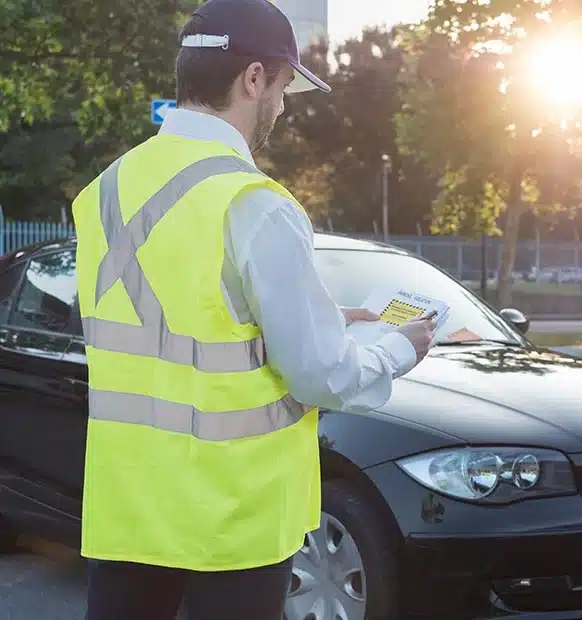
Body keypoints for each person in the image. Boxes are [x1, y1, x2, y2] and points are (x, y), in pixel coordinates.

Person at [71, 1, 436, 618]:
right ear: (253, 79)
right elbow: (321, 376)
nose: (285, 106)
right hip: (232, 517)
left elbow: (171, 322)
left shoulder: (106, 189)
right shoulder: (254, 202)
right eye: (286, 86)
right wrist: (401, 348)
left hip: (130, 505)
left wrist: (325, 315)